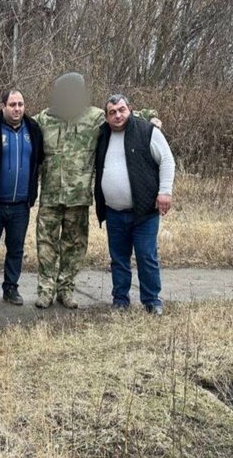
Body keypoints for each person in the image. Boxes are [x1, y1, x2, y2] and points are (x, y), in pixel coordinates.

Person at [33, 72, 160, 310]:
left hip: (78, 199)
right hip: (50, 196)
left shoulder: (94, 117)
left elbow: (124, 116)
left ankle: (66, 289)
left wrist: (152, 117)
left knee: (74, 246)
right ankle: (46, 289)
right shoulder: (44, 118)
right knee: (46, 245)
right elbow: (19, 123)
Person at [94, 94, 175, 315]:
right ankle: (120, 300)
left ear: (130, 110)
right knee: (118, 259)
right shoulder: (102, 135)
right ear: (107, 116)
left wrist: (165, 192)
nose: (118, 115)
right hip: (114, 212)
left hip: (144, 212)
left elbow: (167, 160)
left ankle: (152, 300)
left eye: (121, 110)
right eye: (112, 112)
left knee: (146, 256)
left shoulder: (147, 131)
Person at [0, 89, 43, 306]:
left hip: (21, 204)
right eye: (12, 104)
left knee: (16, 248)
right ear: (3, 106)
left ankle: (11, 288)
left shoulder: (33, 129)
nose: (17, 109)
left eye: (20, 104)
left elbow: (39, 162)